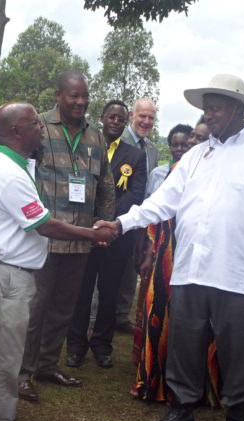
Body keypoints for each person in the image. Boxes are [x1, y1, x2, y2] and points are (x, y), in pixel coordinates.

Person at [97, 73, 244, 421]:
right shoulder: (196, 156)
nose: (208, 114)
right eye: (206, 107)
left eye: (215, 107)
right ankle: (181, 411)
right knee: (184, 345)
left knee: (239, 351)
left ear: (238, 109)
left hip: (243, 275)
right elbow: (161, 203)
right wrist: (121, 223)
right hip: (191, 271)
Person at [0, 102, 116, 421]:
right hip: (7, 274)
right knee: (6, 355)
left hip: (0, 268)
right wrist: (93, 234)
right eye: (34, 124)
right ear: (16, 132)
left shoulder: (10, 162)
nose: (41, 129)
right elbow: (44, 224)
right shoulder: (8, 173)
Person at [17, 71, 115, 403]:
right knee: (35, 307)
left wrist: (106, 222)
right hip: (43, 239)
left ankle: (47, 364)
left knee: (63, 308)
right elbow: (21, 179)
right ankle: (23, 373)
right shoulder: (39, 129)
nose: (81, 102)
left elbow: (106, 184)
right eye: (74, 96)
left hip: (81, 240)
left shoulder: (96, 136)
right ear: (58, 95)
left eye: (85, 96)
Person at [131, 123, 221, 405]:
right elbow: (157, 214)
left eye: (200, 138)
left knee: (199, 328)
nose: (192, 141)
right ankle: (155, 383)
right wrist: (148, 252)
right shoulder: (175, 172)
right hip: (166, 259)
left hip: (203, 264)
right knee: (160, 317)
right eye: (192, 135)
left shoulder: (219, 176)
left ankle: (194, 391)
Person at [66, 100, 147, 368]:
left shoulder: (135, 156)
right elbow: (75, 186)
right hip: (85, 233)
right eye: (111, 116)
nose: (115, 121)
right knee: (81, 292)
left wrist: (109, 223)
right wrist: (92, 224)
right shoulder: (85, 147)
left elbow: (136, 194)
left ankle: (102, 346)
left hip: (117, 238)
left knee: (109, 295)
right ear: (102, 118)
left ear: (126, 123)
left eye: (120, 118)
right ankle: (76, 346)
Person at [115, 97, 160, 333]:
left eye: (151, 117)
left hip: (141, 219)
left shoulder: (151, 148)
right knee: (109, 268)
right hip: (117, 214)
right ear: (132, 115)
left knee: (130, 270)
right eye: (142, 116)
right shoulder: (117, 141)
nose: (146, 121)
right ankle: (95, 317)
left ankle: (121, 316)